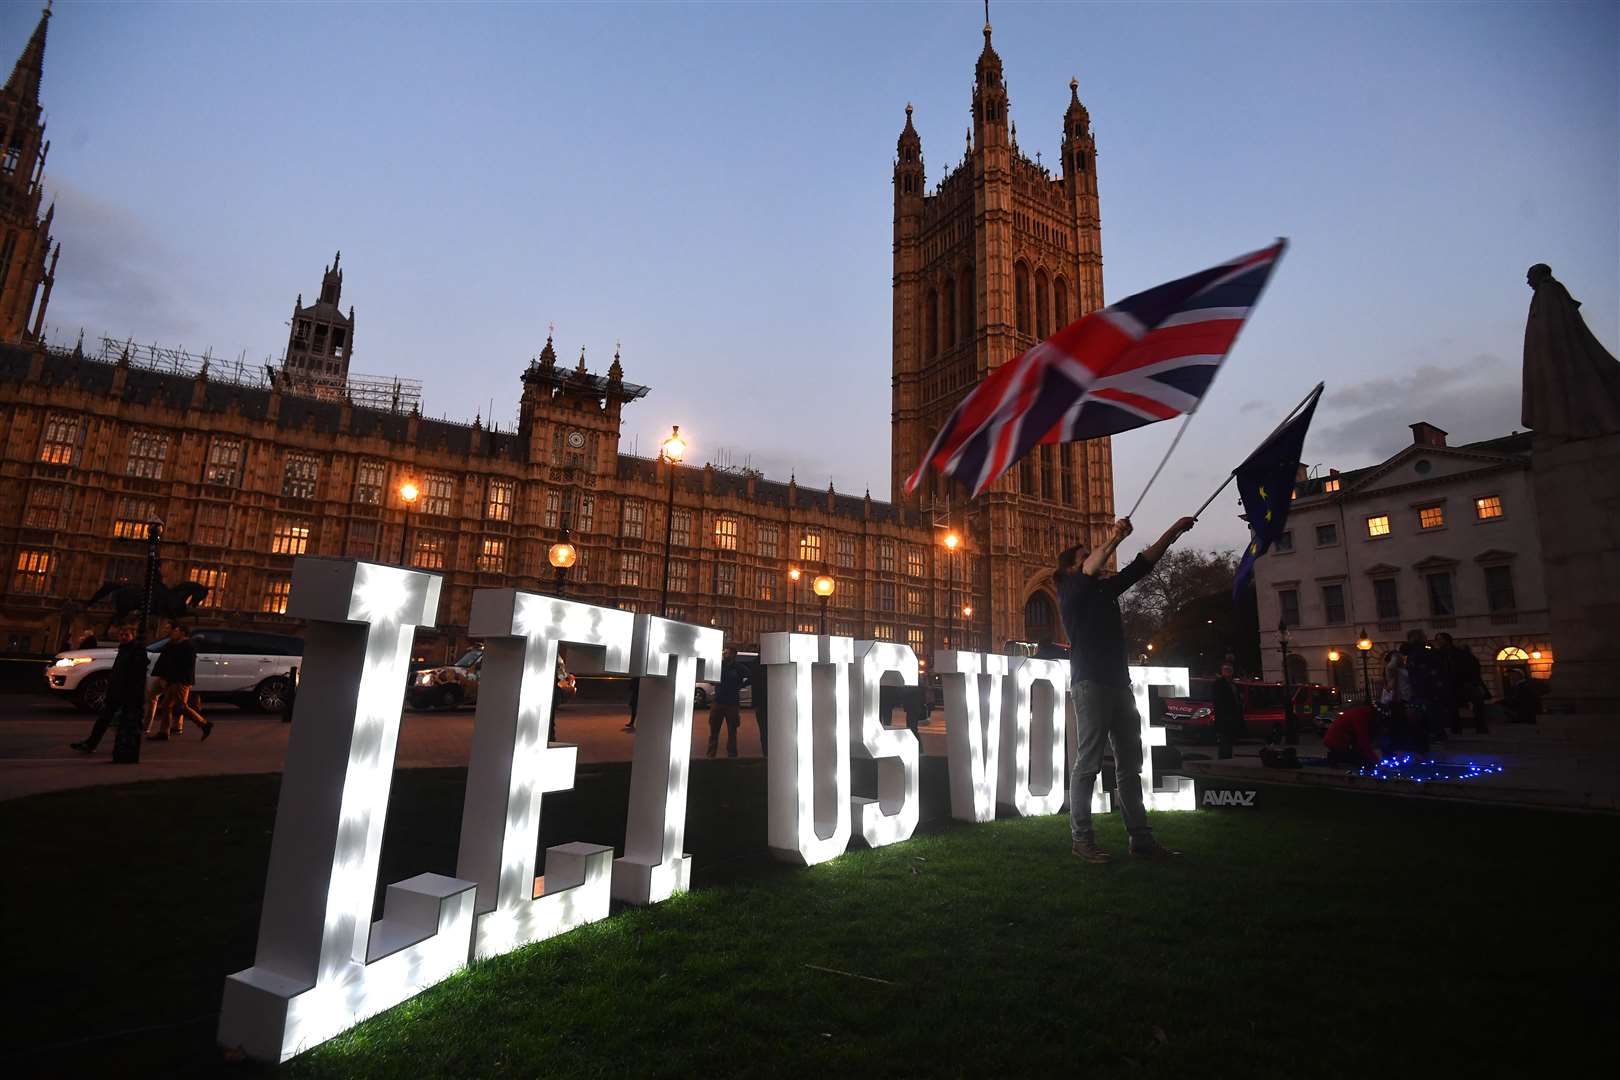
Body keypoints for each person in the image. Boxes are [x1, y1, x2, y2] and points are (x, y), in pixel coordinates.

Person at [1059, 515, 1195, 863]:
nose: (1097, 561)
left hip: (1120, 685)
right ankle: (1082, 840)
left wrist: (1172, 531)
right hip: (1090, 684)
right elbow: (1091, 567)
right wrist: (1114, 538)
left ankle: (1141, 839)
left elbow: (1142, 565)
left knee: (1130, 767)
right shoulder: (1072, 591)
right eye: (1085, 556)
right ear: (1074, 569)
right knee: (1087, 765)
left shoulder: (1105, 590)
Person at [70, 623, 149, 753]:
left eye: (126, 635)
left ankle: (99, 744)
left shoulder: (135, 650)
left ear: (133, 636)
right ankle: (91, 743)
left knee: (113, 720)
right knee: (105, 719)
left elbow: (135, 673)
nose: (123, 637)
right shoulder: (124, 648)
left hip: (126, 692)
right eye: (121, 635)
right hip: (117, 690)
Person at [149, 623, 213, 740]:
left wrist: (169, 677)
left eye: (176, 631)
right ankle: (164, 732)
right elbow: (164, 661)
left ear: (183, 633)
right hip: (172, 679)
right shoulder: (172, 644)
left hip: (180, 681)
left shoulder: (188, 646)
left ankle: (204, 724)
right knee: (167, 705)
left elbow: (185, 665)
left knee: (180, 706)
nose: (172, 633)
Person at [706, 646, 748, 759]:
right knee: (713, 732)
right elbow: (710, 678)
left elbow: (749, 677)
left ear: (734, 655)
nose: (725, 655)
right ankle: (710, 756)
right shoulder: (719, 666)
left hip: (732, 704)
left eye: (727, 653)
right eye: (724, 653)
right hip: (718, 702)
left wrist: (740, 685)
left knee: (732, 732)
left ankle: (732, 756)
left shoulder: (739, 668)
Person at [1323, 702, 1381, 767]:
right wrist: (1375, 760)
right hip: (1335, 741)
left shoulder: (1360, 713)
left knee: (1358, 755)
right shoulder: (1361, 716)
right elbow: (1363, 739)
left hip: (1336, 740)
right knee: (1357, 758)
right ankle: (1334, 757)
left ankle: (1335, 757)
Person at [1212, 660, 1244, 760]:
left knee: (1228, 739)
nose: (1228, 672)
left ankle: (1227, 756)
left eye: (1229, 670)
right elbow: (1219, 701)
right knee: (1224, 739)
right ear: (1222, 671)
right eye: (1226, 670)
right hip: (1225, 717)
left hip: (1232, 716)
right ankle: (1224, 758)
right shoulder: (1219, 684)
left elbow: (1236, 699)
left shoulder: (1233, 684)